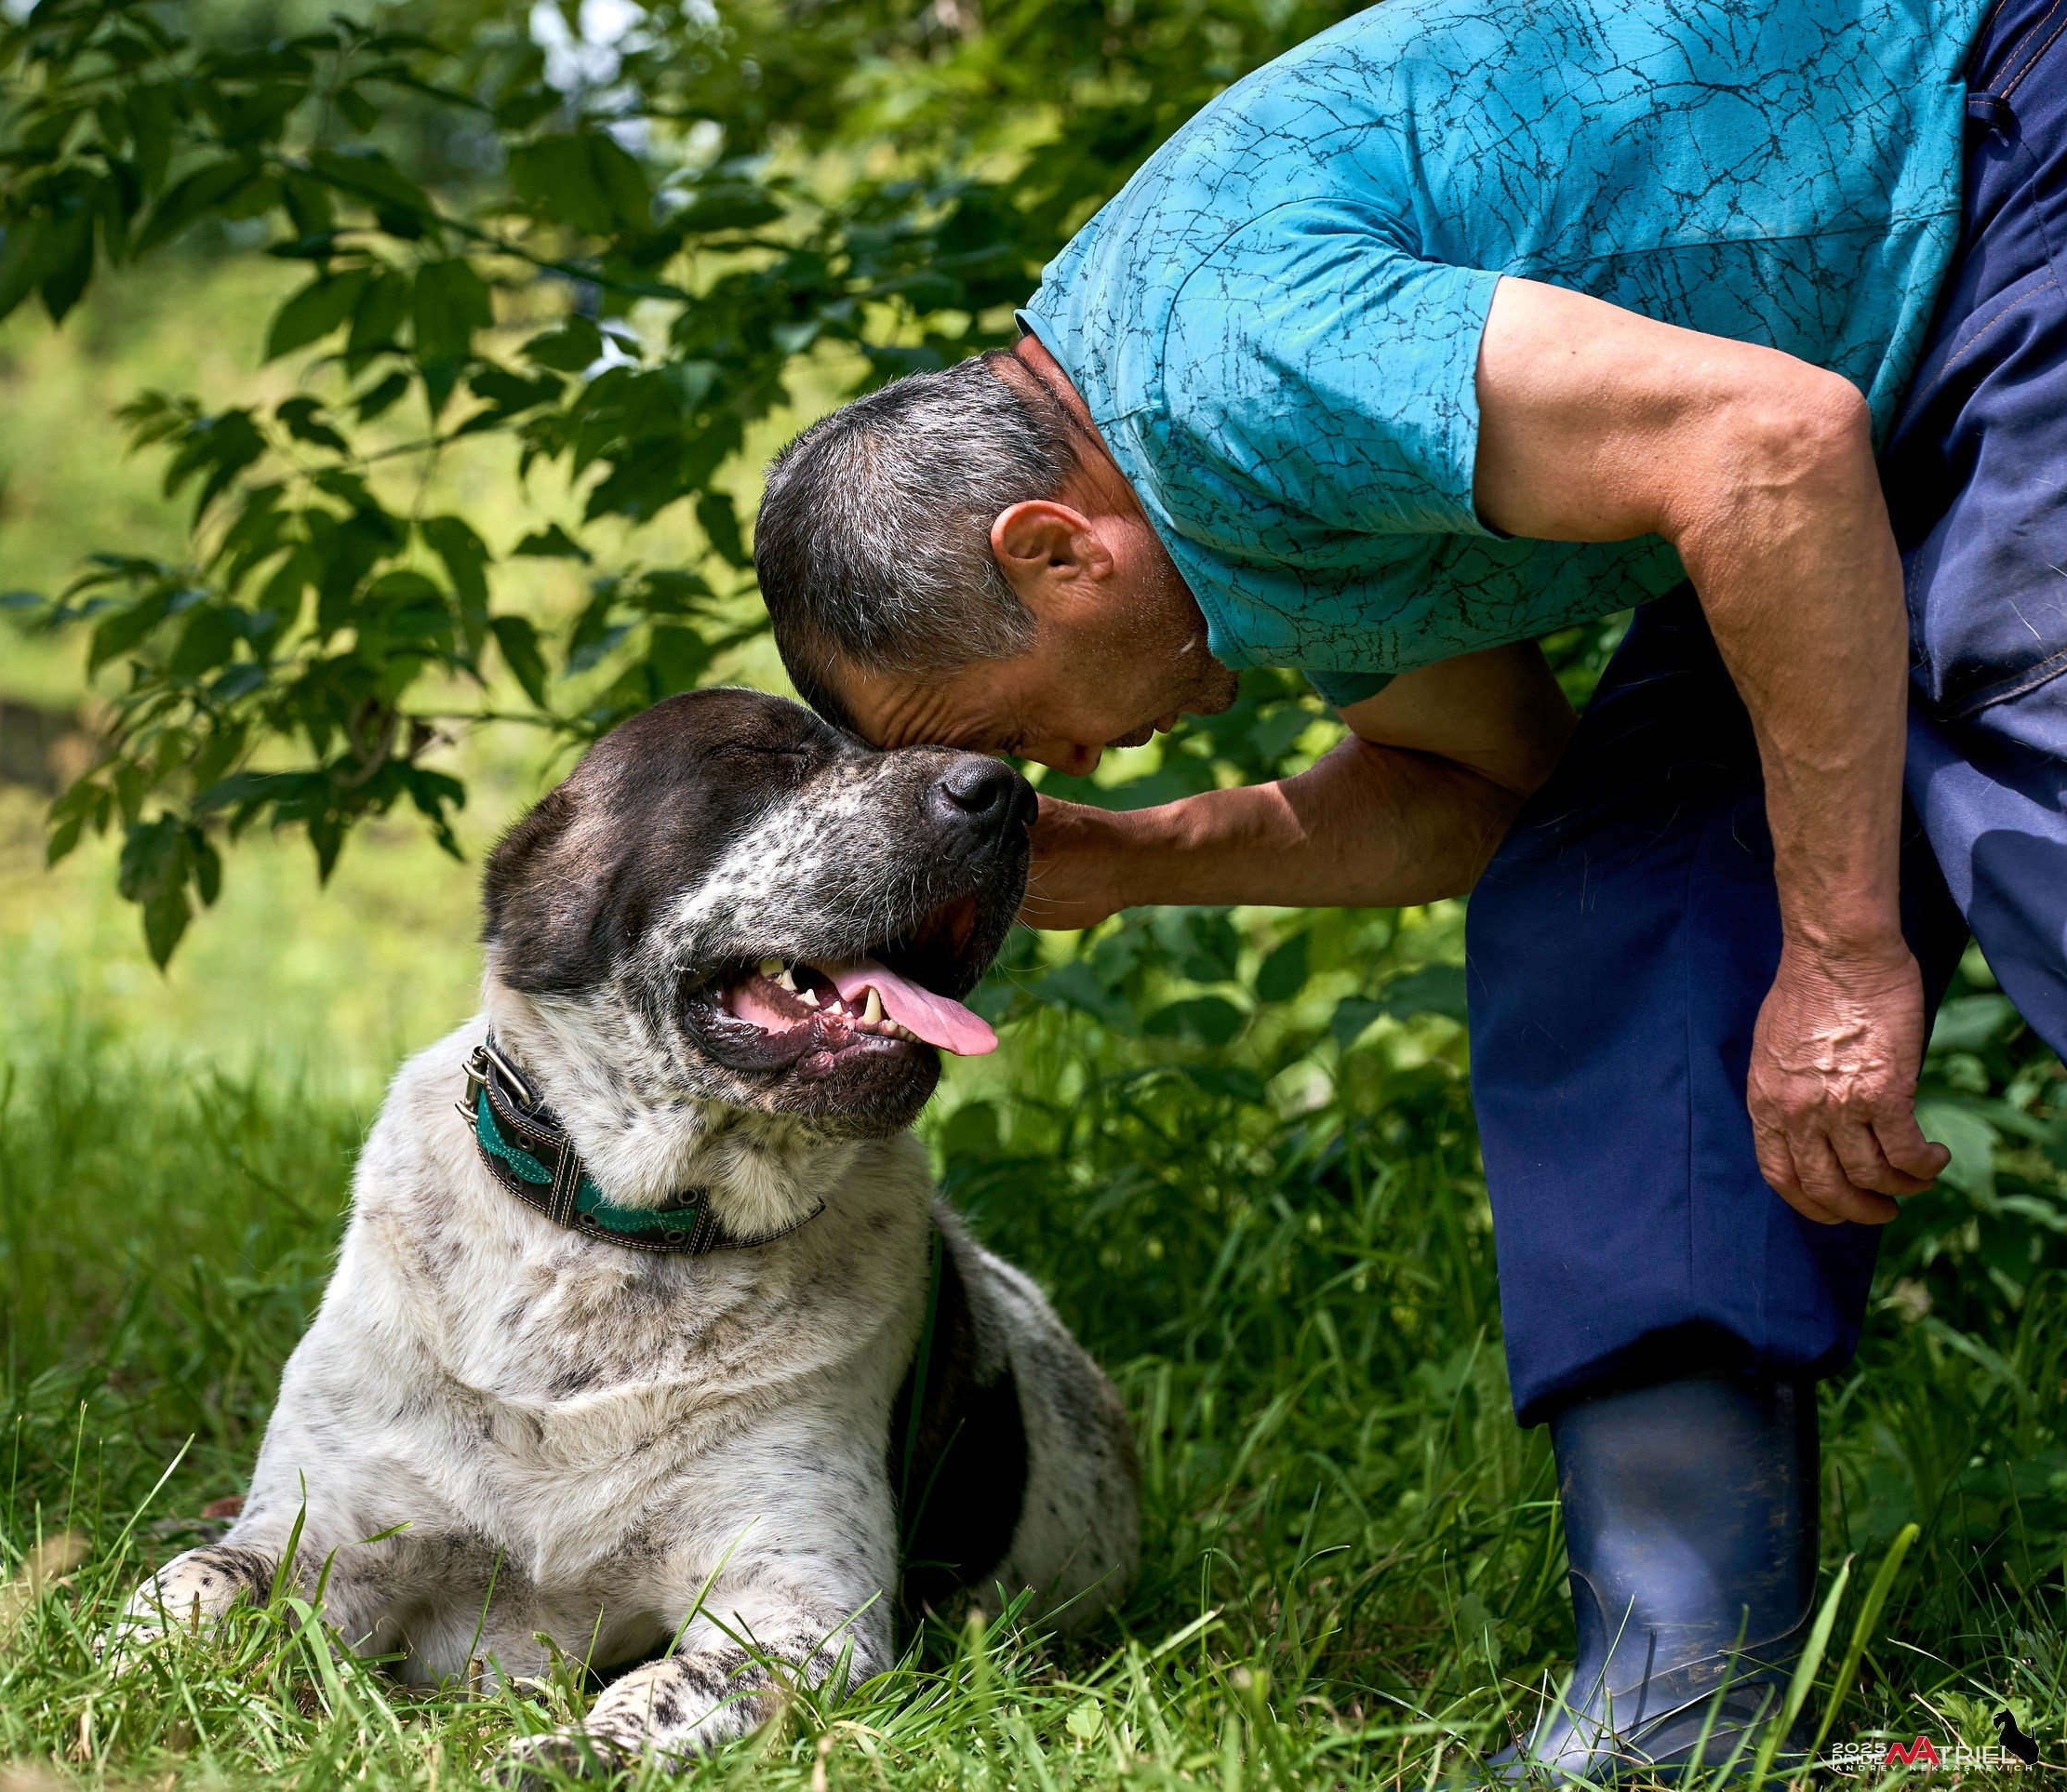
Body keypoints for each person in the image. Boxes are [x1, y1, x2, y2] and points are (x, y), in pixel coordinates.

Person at [752, 0, 2067, 1775]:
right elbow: (1485, 795)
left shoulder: (1235, 374)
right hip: (1837, 393)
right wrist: (1136, 865)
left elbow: (1766, 447)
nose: (1067, 769)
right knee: (1607, 902)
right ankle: (1684, 1677)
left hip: (1997, 184)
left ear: (1054, 553)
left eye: (1019, 735)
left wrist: (1843, 957)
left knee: (2035, 771)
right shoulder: (1210, 535)